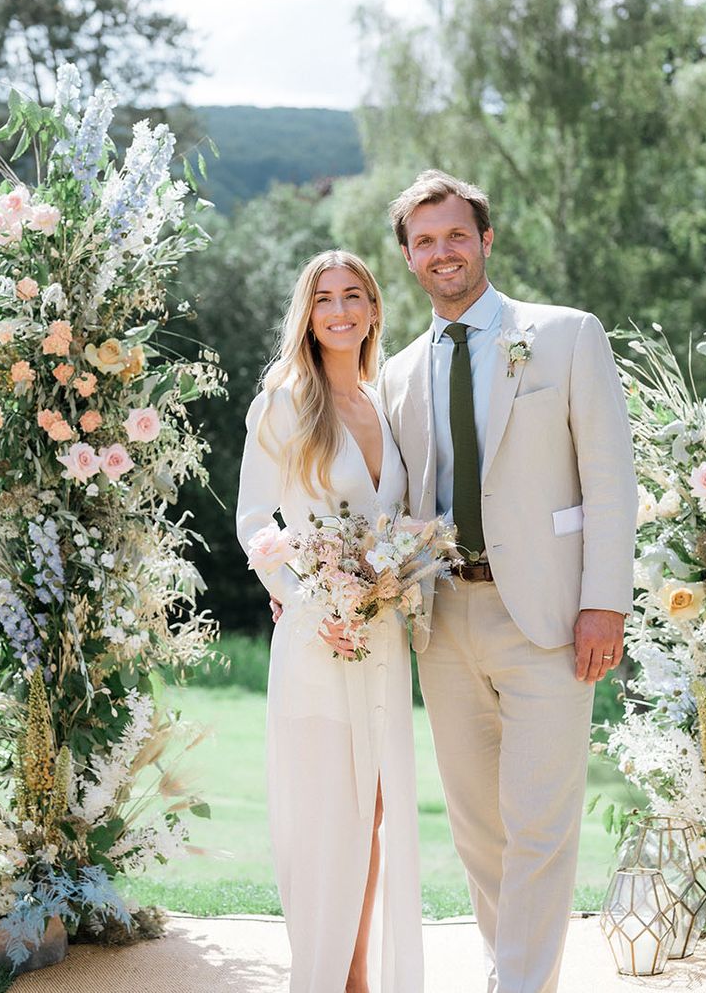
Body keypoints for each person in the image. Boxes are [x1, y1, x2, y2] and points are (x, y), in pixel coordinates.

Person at [377, 170, 637, 993]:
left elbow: (610, 479)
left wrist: (605, 602)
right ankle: (511, 970)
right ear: (409, 258)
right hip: (444, 620)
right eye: (425, 241)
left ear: (485, 240)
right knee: (479, 829)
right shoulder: (399, 373)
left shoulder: (565, 335)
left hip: (550, 617)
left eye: (457, 234)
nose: (443, 252)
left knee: (539, 822)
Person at [235, 250, 424, 993]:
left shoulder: (385, 403)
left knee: (372, 810)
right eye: (324, 299)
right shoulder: (284, 403)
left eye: (353, 296)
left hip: (382, 635)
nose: (339, 310)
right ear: (307, 316)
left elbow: (398, 521)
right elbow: (256, 521)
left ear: (374, 310)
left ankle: (357, 979)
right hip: (320, 635)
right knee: (327, 815)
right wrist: (302, 596)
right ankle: (325, 979)